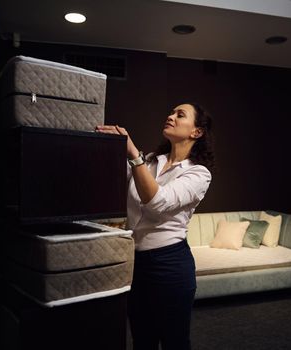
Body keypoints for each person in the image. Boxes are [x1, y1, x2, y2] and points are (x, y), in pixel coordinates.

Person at [95, 103, 214, 350]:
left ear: (197, 132)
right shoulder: (149, 161)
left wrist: (132, 153)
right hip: (135, 263)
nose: (170, 116)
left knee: (174, 342)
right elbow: (114, 183)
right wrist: (110, 147)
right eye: (171, 112)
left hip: (170, 265)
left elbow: (158, 202)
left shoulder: (198, 174)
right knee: (142, 339)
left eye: (180, 115)